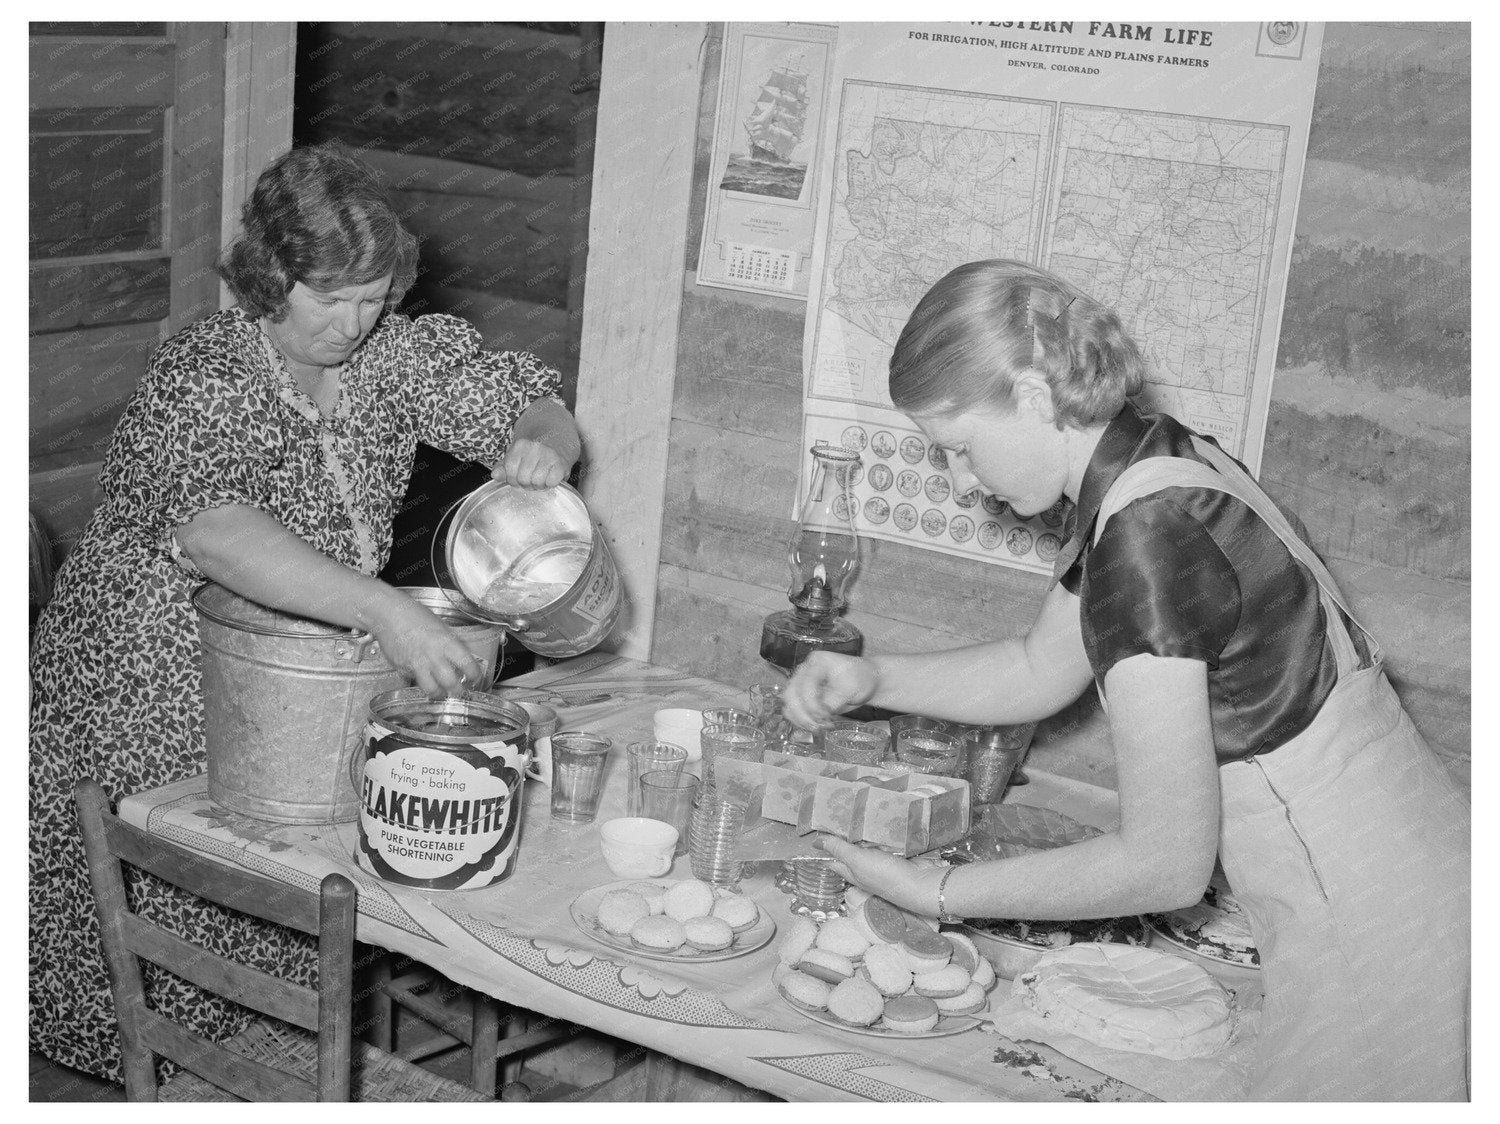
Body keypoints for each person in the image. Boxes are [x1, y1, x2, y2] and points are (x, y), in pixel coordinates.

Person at [784, 260, 1469, 1100]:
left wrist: (934, 891)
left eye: (958, 449)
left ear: (1033, 394)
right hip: (1420, 869)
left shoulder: (1149, 535)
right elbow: (1039, 668)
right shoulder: (1156, 463)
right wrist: (873, 676)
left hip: (1369, 921)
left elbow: (1166, 866)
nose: (962, 482)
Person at [29, 143, 582, 1082]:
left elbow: (533, 404)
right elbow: (217, 533)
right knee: (157, 921)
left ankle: (262, 1073)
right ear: (269, 276)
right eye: (328, 300)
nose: (351, 323)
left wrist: (543, 444)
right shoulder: (201, 374)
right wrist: (387, 612)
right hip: (147, 684)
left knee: (281, 912)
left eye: (372, 297)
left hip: (291, 684)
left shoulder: (393, 352)